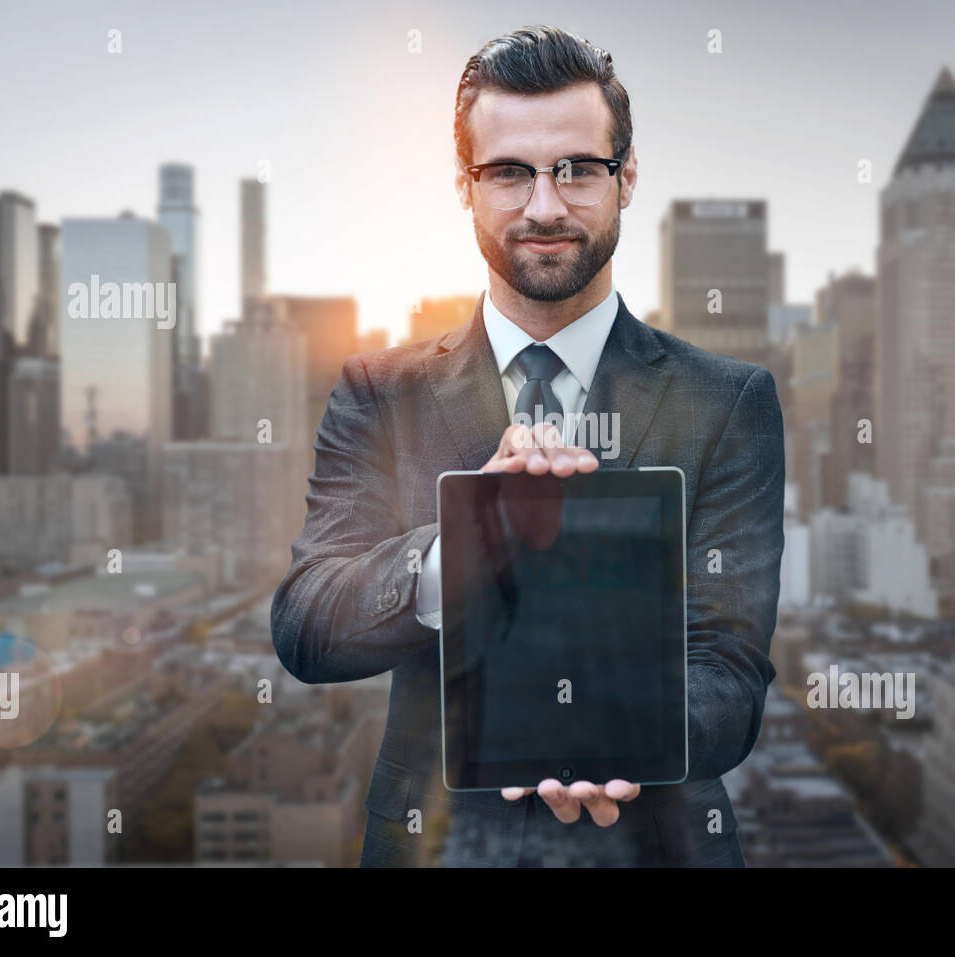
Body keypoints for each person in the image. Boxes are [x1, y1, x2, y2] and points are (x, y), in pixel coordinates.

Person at [270, 24, 785, 867]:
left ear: (627, 180)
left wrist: (621, 732)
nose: (545, 205)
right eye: (509, 171)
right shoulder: (378, 392)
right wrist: (467, 547)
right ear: (466, 188)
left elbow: (731, 668)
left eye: (578, 168)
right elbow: (307, 624)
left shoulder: (727, 403)